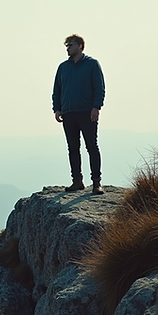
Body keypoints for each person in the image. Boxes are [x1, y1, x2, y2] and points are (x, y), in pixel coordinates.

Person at [53, 34, 105, 195]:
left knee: (91, 146)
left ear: (80, 46)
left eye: (70, 45)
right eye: (66, 46)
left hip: (87, 112)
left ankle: (96, 183)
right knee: (73, 148)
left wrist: (96, 107)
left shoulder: (92, 64)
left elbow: (99, 87)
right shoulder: (63, 67)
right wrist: (57, 108)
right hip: (68, 113)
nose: (68, 48)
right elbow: (57, 90)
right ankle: (77, 181)